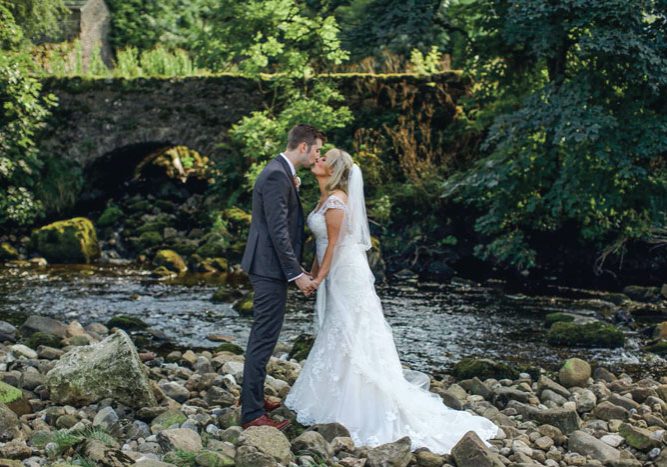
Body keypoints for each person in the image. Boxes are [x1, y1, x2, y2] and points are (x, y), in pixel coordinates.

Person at [284, 148, 499, 454]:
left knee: (352, 328)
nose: (317, 160)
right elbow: (319, 245)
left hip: (346, 273)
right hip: (336, 272)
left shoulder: (336, 201)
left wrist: (318, 278)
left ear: (332, 170)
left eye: (323, 159)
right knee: (340, 327)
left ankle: (360, 402)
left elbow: (332, 245)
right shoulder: (324, 197)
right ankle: (334, 392)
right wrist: (312, 273)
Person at [239, 124, 323, 430]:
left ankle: (254, 399)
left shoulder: (281, 173)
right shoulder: (277, 174)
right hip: (269, 267)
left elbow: (280, 218)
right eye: (316, 150)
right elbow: (277, 232)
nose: (318, 155)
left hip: (267, 266)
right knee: (263, 338)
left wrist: (293, 188)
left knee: (265, 336)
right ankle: (251, 414)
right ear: (303, 147)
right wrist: (297, 274)